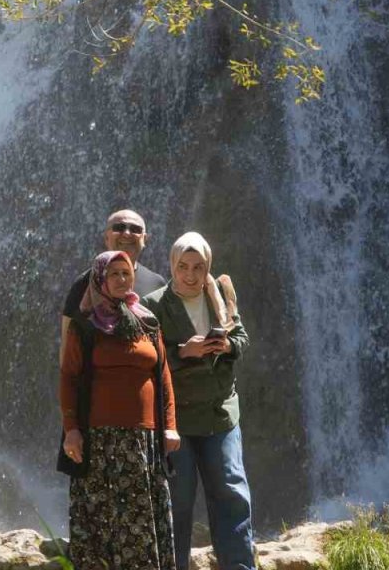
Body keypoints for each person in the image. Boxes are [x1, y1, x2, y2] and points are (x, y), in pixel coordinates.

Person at [60, 250, 180, 569]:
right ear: (100, 279)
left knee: (142, 520)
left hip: (145, 442)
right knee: (103, 520)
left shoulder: (148, 321)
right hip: (101, 441)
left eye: (126, 273)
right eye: (113, 274)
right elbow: (69, 378)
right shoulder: (85, 327)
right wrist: (71, 430)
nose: (121, 279)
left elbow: (164, 376)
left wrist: (170, 425)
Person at [142, 232, 255, 570]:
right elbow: (147, 362)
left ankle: (239, 566)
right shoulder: (153, 305)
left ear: (208, 266)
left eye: (198, 267)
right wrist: (183, 352)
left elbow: (241, 336)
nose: (190, 275)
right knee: (177, 501)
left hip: (221, 414)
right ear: (172, 266)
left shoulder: (218, 294)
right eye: (183, 267)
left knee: (232, 494)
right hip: (177, 419)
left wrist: (228, 346)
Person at [60, 210, 167, 353]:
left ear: (144, 239)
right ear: (106, 238)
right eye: (119, 227)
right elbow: (68, 344)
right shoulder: (87, 282)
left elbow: (163, 342)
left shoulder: (157, 283)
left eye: (135, 229)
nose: (127, 233)